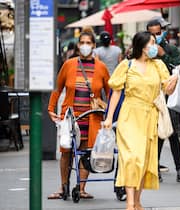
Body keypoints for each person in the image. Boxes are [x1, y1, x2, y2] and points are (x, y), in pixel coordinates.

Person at [103, 31, 177, 210]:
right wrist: (109, 117)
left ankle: (137, 201)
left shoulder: (158, 65)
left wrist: (175, 79)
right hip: (129, 116)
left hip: (149, 117)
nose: (155, 46)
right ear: (142, 45)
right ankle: (130, 203)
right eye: (152, 42)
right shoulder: (126, 65)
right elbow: (116, 92)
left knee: (143, 161)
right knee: (131, 158)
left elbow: (168, 91)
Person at [47, 31, 110, 199]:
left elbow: (111, 93)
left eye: (88, 42)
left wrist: (111, 115)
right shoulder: (69, 64)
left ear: (94, 45)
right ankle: (63, 188)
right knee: (66, 151)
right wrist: (51, 109)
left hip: (91, 117)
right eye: (82, 42)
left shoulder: (101, 67)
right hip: (70, 117)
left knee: (84, 152)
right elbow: (57, 88)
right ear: (78, 45)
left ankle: (81, 188)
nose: (85, 45)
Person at [146, 17, 180, 182]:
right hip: (150, 97)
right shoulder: (144, 51)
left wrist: (164, 56)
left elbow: (178, 70)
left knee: (171, 132)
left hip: (168, 97)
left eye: (159, 33)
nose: (157, 36)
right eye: (153, 34)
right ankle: (154, 167)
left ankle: (179, 168)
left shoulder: (171, 49)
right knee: (154, 134)